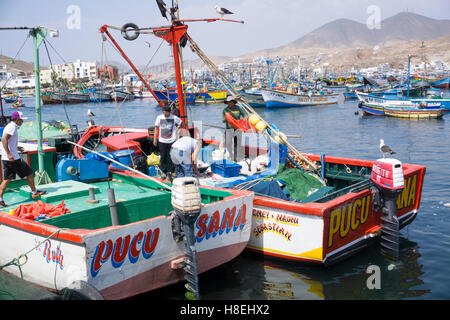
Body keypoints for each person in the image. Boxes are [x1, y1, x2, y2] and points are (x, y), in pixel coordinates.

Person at [0, 111, 46, 207]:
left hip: (5, 158)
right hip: (13, 158)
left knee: (6, 179)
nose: (22, 122)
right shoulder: (12, 127)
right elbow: (4, 139)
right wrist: (9, 153)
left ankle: (0, 199)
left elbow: (8, 141)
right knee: (29, 172)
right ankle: (34, 192)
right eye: (21, 120)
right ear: (17, 120)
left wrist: (15, 148)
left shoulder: (9, 126)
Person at [153, 105, 182, 179]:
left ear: (169, 112)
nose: (164, 114)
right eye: (163, 112)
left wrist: (177, 130)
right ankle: (164, 172)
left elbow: (181, 123)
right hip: (162, 141)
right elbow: (156, 128)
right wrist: (154, 139)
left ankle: (173, 171)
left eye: (165, 112)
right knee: (163, 157)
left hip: (172, 140)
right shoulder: (159, 117)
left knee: (172, 156)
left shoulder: (174, 118)